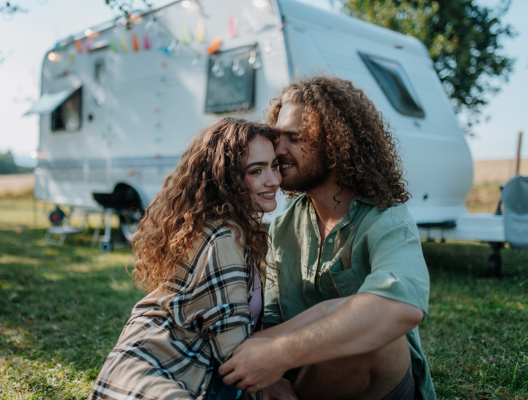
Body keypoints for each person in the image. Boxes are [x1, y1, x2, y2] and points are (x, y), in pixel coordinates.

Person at [219, 76, 436, 400]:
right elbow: (274, 319)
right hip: (304, 379)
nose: (279, 150)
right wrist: (270, 374)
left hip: (379, 386)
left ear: (336, 142)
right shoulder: (283, 226)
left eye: (295, 138)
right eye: (279, 137)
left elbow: (401, 308)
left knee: (371, 334)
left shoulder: (385, 218)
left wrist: (278, 355)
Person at [89, 117, 281, 400]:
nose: (274, 179)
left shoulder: (219, 225)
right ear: (227, 178)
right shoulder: (225, 237)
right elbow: (236, 354)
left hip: (147, 367)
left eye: (274, 165)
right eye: (257, 170)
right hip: (161, 376)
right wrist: (274, 383)